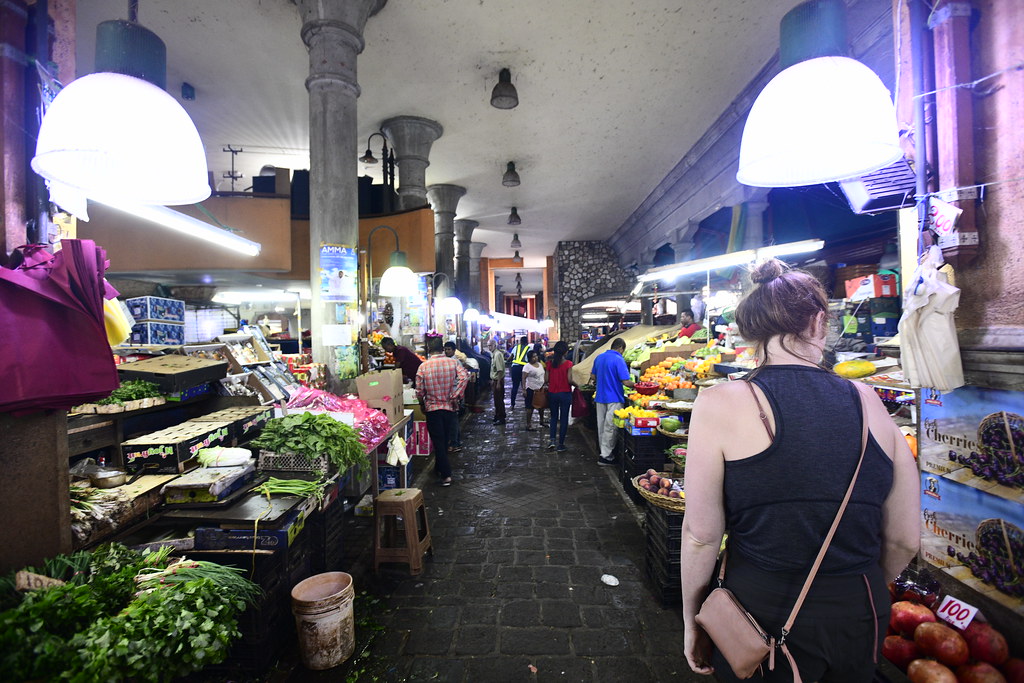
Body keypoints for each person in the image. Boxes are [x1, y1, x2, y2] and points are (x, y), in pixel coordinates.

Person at [680, 259, 920, 681]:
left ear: (749, 332)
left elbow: (701, 536)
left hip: (758, 614)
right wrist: (848, 589)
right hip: (859, 612)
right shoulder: (869, 402)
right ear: (819, 322)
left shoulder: (720, 403)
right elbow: (904, 539)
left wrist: (692, 619)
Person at [415, 336, 470, 487]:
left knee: (438, 442)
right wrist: (456, 395)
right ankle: (438, 468)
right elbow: (465, 377)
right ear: (442, 348)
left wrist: (422, 404)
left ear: (429, 349)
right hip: (449, 408)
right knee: (444, 440)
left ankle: (446, 475)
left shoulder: (423, 367)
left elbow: (419, 391)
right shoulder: (453, 362)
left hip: (432, 409)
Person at [590, 337, 634, 466]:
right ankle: (606, 456)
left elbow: (593, 376)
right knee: (610, 427)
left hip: (600, 397)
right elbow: (626, 381)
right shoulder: (618, 359)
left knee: (602, 426)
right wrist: (637, 385)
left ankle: (603, 452)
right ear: (621, 348)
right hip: (614, 398)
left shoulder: (599, 357)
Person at [544, 340, 575, 452]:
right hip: (565, 394)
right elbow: (570, 380)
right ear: (565, 352)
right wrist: (577, 385)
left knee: (553, 417)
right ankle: (561, 444)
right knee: (563, 418)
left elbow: (546, 379)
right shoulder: (569, 364)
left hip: (552, 393)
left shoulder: (549, 364)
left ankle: (552, 440)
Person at [443, 341, 464, 453]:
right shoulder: (447, 361)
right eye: (445, 349)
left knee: (453, 420)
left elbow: (463, 378)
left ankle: (455, 443)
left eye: (449, 349)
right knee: (452, 420)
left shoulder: (455, 362)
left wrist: (458, 394)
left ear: (454, 350)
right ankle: (456, 442)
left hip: (454, 394)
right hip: (449, 394)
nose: (447, 351)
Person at [521, 350, 548, 431]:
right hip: (531, 389)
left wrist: (545, 384)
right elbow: (523, 378)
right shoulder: (527, 367)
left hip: (540, 389)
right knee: (530, 407)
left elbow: (543, 374)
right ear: (529, 358)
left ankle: (542, 421)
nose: (535, 358)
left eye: (536, 356)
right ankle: (528, 424)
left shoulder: (540, 364)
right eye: (533, 357)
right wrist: (524, 389)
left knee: (541, 406)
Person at [508, 336, 531, 409]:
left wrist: (507, 361)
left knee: (515, 386)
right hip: (524, 369)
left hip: (515, 368)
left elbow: (511, 357)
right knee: (525, 387)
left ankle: (512, 404)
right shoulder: (529, 349)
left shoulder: (516, 348)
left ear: (520, 342)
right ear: (527, 342)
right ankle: (527, 405)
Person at [488, 339, 507, 425]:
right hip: (495, 380)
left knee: (499, 400)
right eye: (488, 346)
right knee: (496, 399)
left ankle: (501, 417)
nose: (489, 347)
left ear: (495, 346)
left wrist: (498, 382)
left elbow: (500, 370)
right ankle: (497, 415)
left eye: (490, 345)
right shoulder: (493, 354)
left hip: (498, 380)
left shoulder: (497, 355)